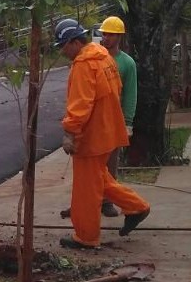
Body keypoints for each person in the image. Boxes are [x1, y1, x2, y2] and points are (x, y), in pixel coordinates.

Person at [54, 18, 150, 249]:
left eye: (63, 46)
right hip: (106, 131)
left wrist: (70, 132)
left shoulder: (85, 64)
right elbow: (115, 90)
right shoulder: (103, 57)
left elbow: (80, 104)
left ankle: (86, 237)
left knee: (87, 189)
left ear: (74, 42)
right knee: (100, 178)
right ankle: (137, 207)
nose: (62, 51)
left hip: (92, 137)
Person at [98, 15, 137, 217]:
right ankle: (88, 200)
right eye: (104, 33)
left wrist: (128, 122)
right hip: (96, 121)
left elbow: (131, 93)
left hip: (114, 121)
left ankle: (107, 201)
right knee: (91, 165)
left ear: (119, 36)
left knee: (110, 164)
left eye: (110, 34)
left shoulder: (127, 63)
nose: (106, 37)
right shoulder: (95, 58)